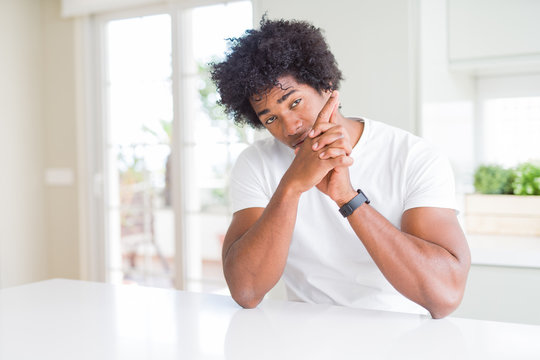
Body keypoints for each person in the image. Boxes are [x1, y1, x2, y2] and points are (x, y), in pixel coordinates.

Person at [210, 17, 470, 318]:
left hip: (404, 335)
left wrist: (347, 198)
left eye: (294, 103)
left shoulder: (414, 157)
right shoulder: (256, 163)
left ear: (326, 85)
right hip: (304, 336)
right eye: (270, 119)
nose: (290, 126)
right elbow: (246, 291)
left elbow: (444, 295)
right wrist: (292, 186)